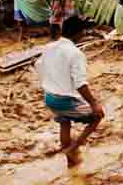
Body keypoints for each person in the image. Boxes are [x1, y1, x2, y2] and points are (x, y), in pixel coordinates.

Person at [35, 24, 105, 167]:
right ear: (80, 34)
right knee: (97, 116)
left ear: (61, 32)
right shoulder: (75, 53)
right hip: (63, 99)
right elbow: (80, 84)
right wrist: (94, 103)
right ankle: (73, 149)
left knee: (64, 123)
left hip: (49, 97)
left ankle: (71, 164)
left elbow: (38, 65)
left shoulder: (48, 47)